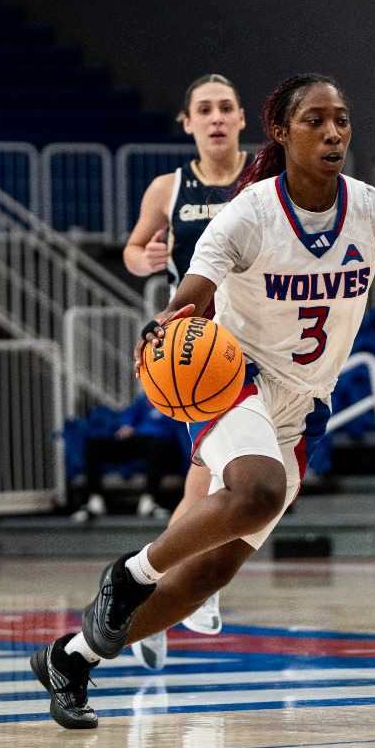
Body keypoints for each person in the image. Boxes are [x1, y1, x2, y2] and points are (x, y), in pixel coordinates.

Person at [29, 74, 375, 728]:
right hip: (229, 380)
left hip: (305, 406)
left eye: (341, 119)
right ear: (280, 130)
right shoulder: (247, 216)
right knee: (257, 490)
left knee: (207, 577)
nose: (333, 132)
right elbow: (192, 293)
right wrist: (168, 323)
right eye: (315, 120)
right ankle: (130, 574)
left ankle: (71, 659)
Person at [117, 74, 248, 664]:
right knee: (214, 483)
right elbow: (134, 249)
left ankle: (150, 597)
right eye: (204, 109)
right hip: (202, 356)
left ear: (242, 118)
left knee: (223, 485)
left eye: (225, 108)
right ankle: (183, 589)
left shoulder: (267, 178)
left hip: (267, 345)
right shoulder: (169, 188)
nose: (216, 117)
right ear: (187, 123)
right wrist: (144, 258)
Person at [70, 394, 183, 523]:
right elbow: (131, 414)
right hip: (137, 438)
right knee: (94, 444)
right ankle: (94, 500)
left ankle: (149, 499)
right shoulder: (145, 398)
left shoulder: (179, 401)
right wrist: (126, 426)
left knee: (157, 446)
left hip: (163, 442)